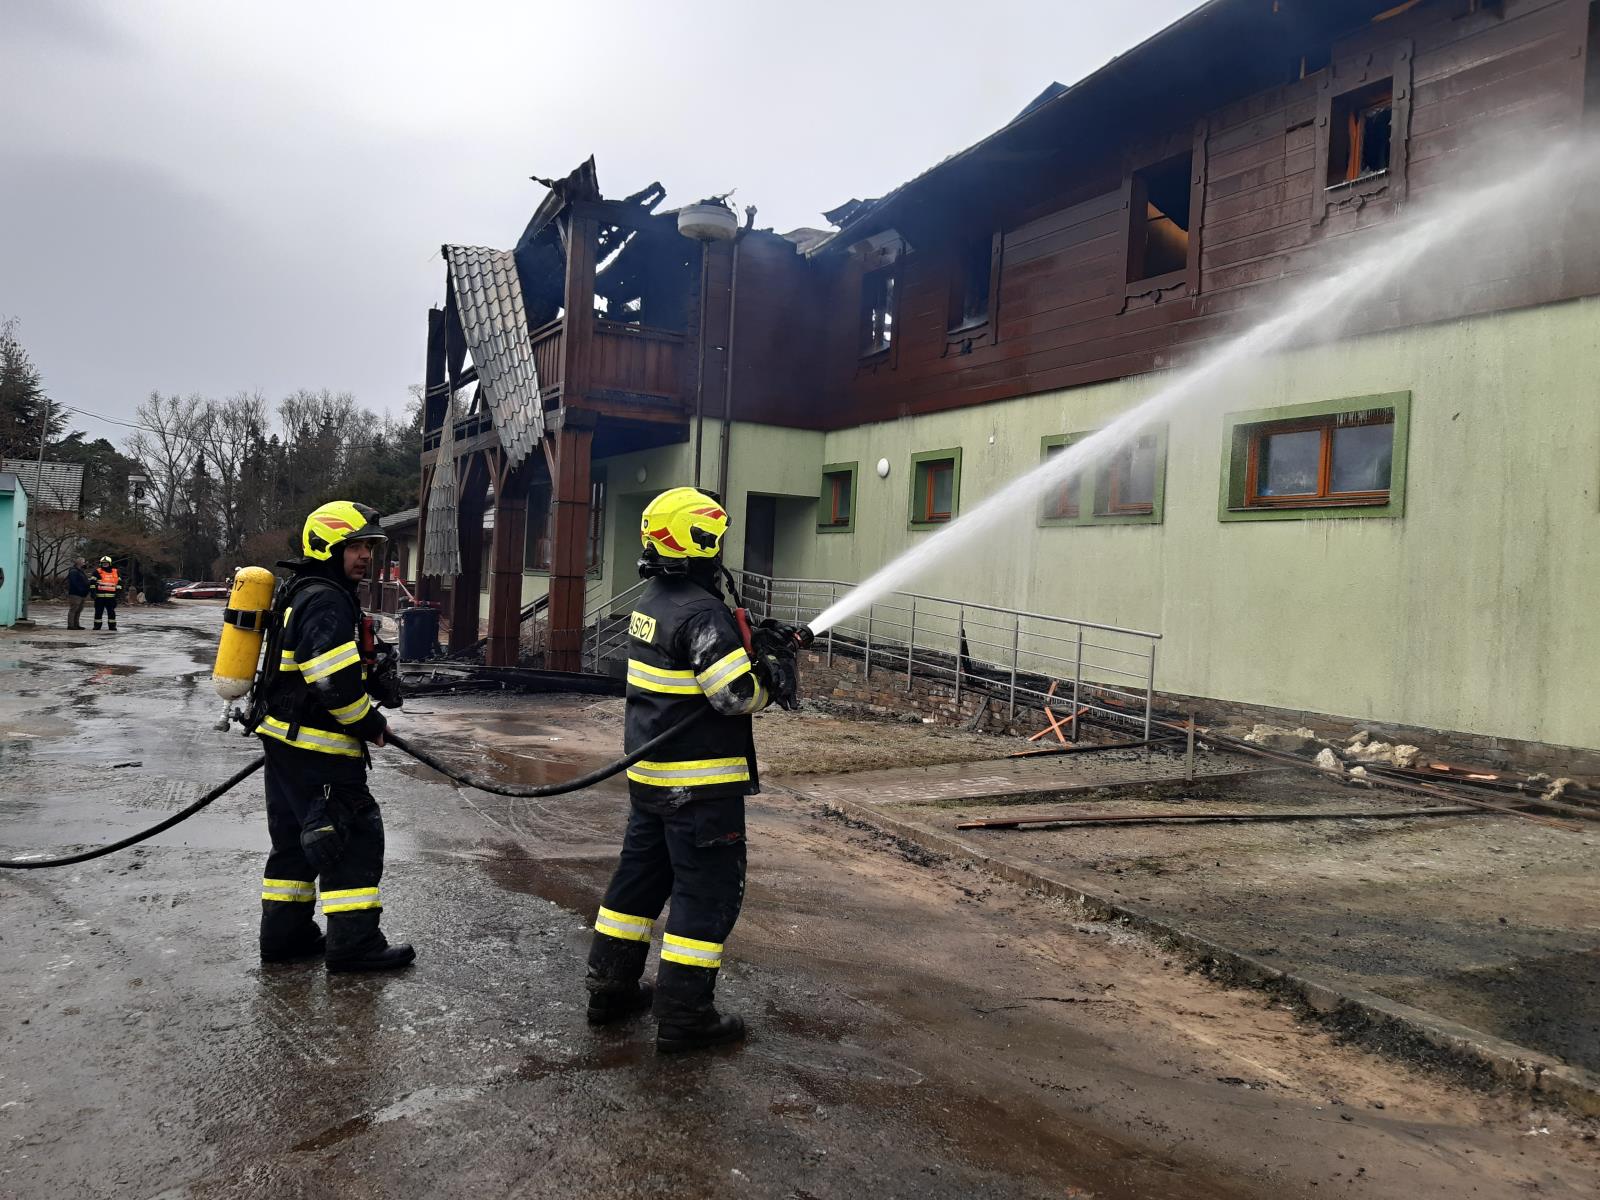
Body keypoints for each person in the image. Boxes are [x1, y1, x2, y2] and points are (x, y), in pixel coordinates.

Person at [584, 486, 788, 1053]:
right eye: (716, 540)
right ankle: (685, 1015)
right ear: (698, 542)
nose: (721, 550)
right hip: (699, 788)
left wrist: (750, 645)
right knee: (705, 894)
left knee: (636, 886)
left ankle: (609, 989)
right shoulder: (701, 613)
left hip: (652, 778)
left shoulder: (652, 602)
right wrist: (774, 675)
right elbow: (733, 696)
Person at [255, 500, 412, 973]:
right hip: (317, 746)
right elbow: (329, 681)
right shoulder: (326, 597)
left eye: (368, 546)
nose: (364, 555)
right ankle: (355, 944)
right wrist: (370, 723)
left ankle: (286, 937)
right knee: (349, 837)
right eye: (354, 546)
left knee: (294, 843)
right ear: (326, 547)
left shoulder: (302, 590)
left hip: (285, 742)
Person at [92, 556, 120, 631]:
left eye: (106, 563)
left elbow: (119, 584)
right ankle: (97, 626)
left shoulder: (116, 572)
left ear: (109, 563)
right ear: (101, 564)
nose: (105, 564)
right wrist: (93, 593)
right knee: (98, 613)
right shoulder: (97, 572)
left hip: (111, 597)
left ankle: (112, 626)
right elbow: (92, 583)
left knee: (111, 613)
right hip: (99, 597)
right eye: (103, 563)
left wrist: (118, 594)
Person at [66, 557, 90, 629]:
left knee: (79, 610)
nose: (84, 563)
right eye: (83, 562)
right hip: (75, 593)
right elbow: (74, 582)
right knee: (74, 609)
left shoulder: (80, 571)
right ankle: (71, 625)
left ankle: (76, 625)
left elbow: (84, 581)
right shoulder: (73, 571)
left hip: (82, 594)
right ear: (79, 563)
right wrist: (81, 589)